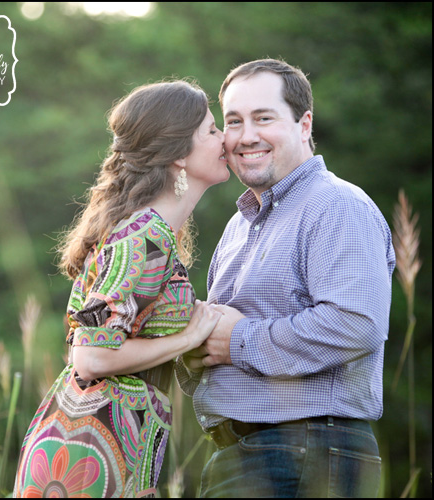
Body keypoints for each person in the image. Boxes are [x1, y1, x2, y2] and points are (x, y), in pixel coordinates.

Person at [176, 59, 395, 497]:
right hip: (249, 454)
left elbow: (357, 324)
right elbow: (224, 339)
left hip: (307, 449)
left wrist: (235, 340)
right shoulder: (240, 226)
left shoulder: (336, 205)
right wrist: (194, 350)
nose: (246, 135)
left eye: (264, 118)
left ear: (304, 124)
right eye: (234, 121)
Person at [13, 80, 230, 498]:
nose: (225, 138)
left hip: (103, 445)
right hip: (89, 453)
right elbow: (92, 356)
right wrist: (188, 337)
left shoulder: (151, 233)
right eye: (211, 130)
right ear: (179, 155)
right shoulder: (143, 239)